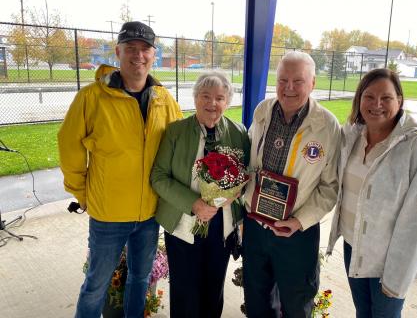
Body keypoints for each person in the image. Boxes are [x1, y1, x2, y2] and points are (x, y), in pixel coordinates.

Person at [58, 21, 182, 318]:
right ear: (118, 52)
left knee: (140, 280)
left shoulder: (164, 99)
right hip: (108, 214)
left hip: (149, 215)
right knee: (96, 284)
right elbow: (69, 145)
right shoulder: (91, 97)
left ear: (154, 55)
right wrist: (82, 192)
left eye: (145, 49)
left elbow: (179, 144)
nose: (138, 55)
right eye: (131, 49)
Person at [327, 68, 417, 318]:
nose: (376, 104)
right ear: (359, 100)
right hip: (352, 245)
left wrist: (396, 277)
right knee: (363, 313)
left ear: (399, 101)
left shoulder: (416, 145)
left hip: (389, 257)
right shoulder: (352, 136)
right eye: (369, 96)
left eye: (386, 98)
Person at [242, 51, 341, 318]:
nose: (289, 88)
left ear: (313, 83)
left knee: (297, 303)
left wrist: (299, 221)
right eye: (283, 80)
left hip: (296, 232)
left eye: (298, 81)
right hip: (256, 226)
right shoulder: (263, 110)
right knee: (256, 300)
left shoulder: (327, 126)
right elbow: (251, 163)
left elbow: (330, 187)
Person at [150, 71, 250, 318]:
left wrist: (235, 193)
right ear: (195, 98)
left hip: (222, 226)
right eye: (205, 96)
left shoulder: (238, 133)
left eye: (219, 98)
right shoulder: (176, 132)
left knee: (213, 289)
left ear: (227, 102)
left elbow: (248, 175)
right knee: (185, 291)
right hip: (183, 224)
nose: (212, 104)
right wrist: (193, 203)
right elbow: (158, 177)